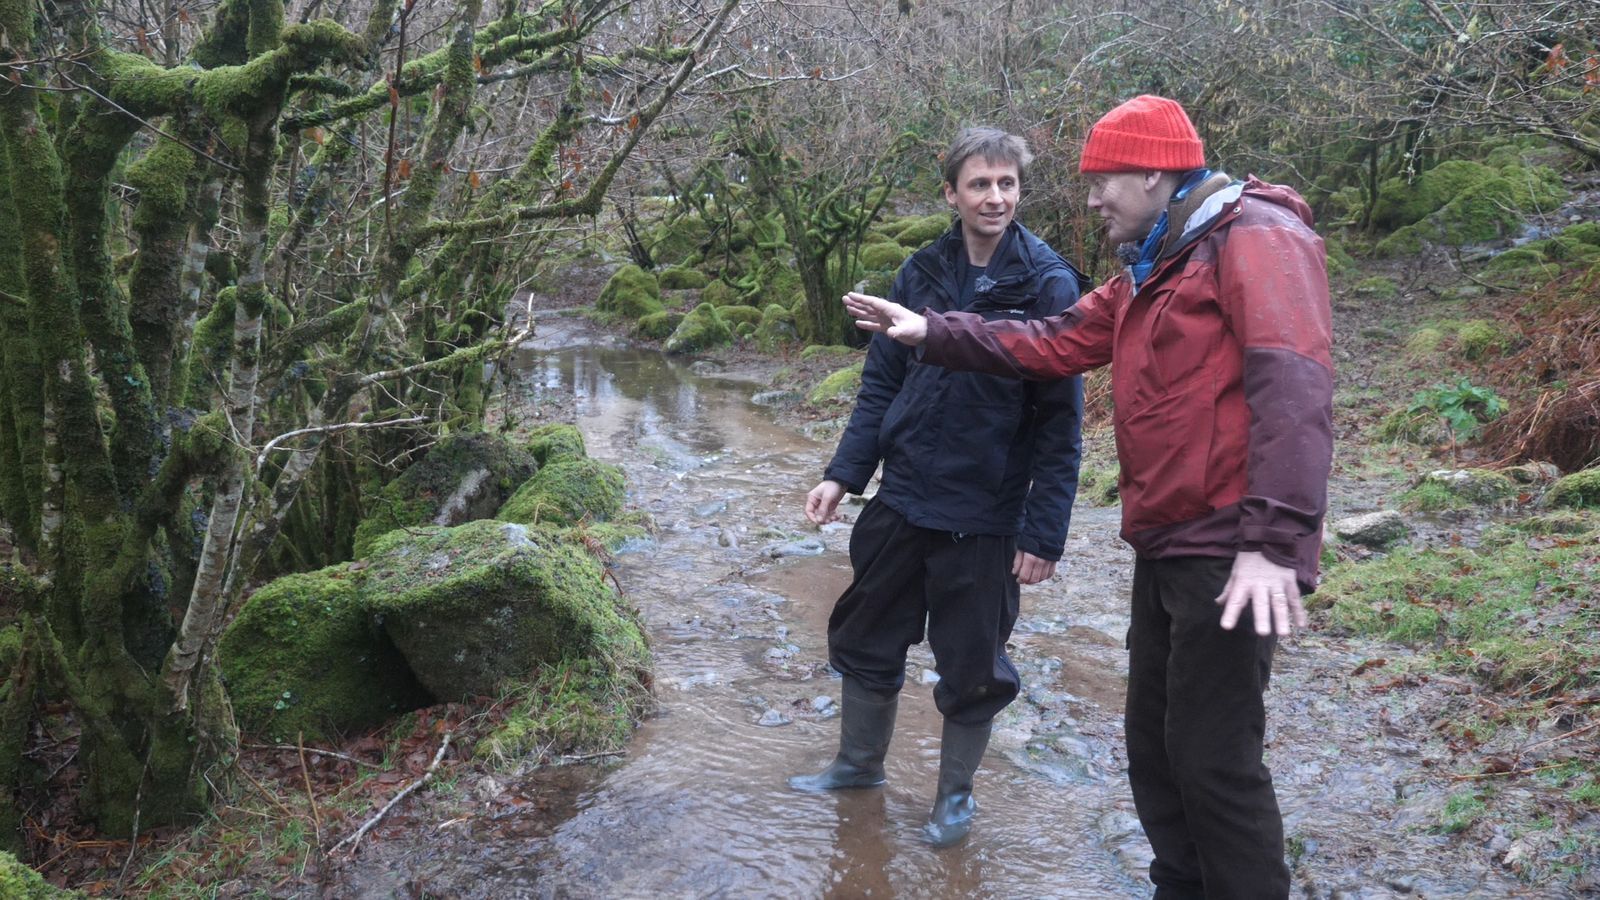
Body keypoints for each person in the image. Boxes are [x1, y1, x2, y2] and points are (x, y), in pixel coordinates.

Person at [843, 95, 1333, 898]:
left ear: (1153, 173)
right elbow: (1053, 340)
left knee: (1215, 760)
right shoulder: (1157, 261)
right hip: (1167, 540)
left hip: (1230, 545)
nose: (1094, 200)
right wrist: (932, 331)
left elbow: (1295, 387)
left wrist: (1274, 544)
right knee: (1156, 750)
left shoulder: (1256, 238)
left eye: (1103, 182)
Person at [789, 127, 1089, 850]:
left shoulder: (1047, 283)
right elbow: (880, 386)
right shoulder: (921, 269)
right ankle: (858, 767)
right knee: (866, 636)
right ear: (951, 193)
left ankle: (954, 797)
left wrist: (1044, 533)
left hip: (986, 512)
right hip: (902, 497)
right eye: (980, 184)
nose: (996, 198)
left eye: (1007, 184)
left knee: (974, 665)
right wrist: (843, 474)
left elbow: (1061, 423)